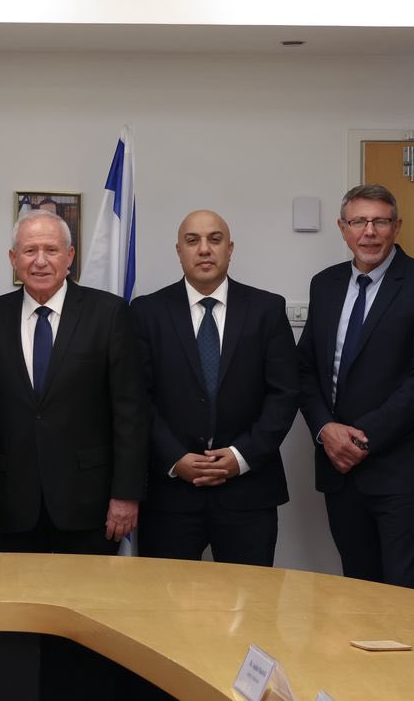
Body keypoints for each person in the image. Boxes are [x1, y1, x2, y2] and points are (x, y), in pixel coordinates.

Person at [297, 184, 414, 590]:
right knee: (356, 589)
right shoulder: (324, 284)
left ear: (396, 227)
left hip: (399, 469)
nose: (369, 231)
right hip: (338, 467)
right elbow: (305, 369)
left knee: (403, 592)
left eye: (380, 221)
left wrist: (361, 439)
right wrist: (325, 430)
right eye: (358, 222)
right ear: (342, 228)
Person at [131, 210, 297, 567]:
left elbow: (284, 394)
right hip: (170, 495)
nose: (204, 249)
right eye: (193, 241)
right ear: (179, 251)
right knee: (164, 599)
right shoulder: (146, 311)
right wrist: (174, 458)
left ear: (230, 249)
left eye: (215, 239)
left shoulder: (267, 309)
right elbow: (137, 398)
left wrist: (241, 456)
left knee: (249, 599)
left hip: (248, 493)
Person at [0, 211, 146, 555]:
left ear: (70, 256)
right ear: (13, 258)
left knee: (89, 592)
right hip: (10, 504)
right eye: (29, 250)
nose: (40, 261)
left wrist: (126, 494)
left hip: (91, 504)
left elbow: (130, 412)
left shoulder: (109, 314)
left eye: (51, 250)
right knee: (14, 593)